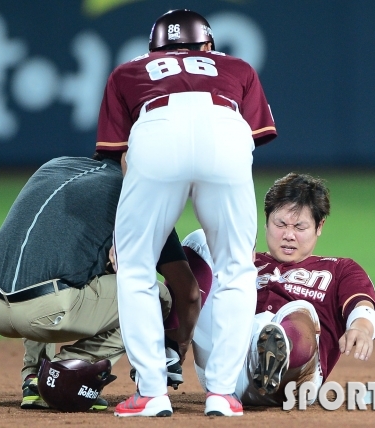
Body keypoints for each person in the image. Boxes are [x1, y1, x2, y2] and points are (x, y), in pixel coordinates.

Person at [95, 9, 277, 417]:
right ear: (208, 46)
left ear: (154, 50)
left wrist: (130, 235)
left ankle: (152, 392)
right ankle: (223, 393)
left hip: (157, 132)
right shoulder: (238, 67)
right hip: (226, 135)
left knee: (136, 266)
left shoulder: (128, 72)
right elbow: (250, 139)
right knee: (236, 266)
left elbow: (121, 155)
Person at [0, 153, 199, 411]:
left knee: (43, 262)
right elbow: (188, 291)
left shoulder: (55, 166)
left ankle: (34, 376)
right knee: (155, 296)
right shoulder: (137, 194)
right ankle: (63, 371)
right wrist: (180, 342)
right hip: (46, 312)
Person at [185, 172, 375, 407]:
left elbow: (362, 306)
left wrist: (361, 328)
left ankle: (274, 356)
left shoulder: (340, 269)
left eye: (300, 226)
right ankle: (168, 340)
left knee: (300, 311)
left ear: (319, 226)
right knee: (201, 240)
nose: (289, 235)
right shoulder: (244, 261)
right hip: (223, 366)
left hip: (293, 382)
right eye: (280, 224)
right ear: (266, 220)